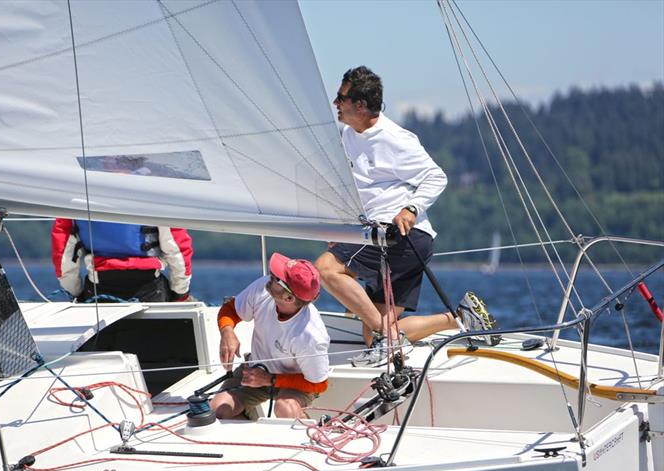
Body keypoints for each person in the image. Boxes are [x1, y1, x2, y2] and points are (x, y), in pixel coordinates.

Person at [315, 66, 499, 365]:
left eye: (341, 97)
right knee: (371, 332)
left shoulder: (395, 138)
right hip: (389, 239)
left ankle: (385, 338)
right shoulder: (349, 134)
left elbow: (436, 177)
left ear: (360, 105)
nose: (336, 103)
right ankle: (460, 318)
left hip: (400, 237)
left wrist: (411, 209)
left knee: (325, 269)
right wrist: (341, 230)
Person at [210, 253, 330, 420]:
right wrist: (227, 332)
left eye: (276, 278)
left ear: (288, 297)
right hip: (256, 370)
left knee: (285, 409)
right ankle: (246, 430)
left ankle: (308, 434)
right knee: (219, 410)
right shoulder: (263, 287)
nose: (271, 277)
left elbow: (319, 384)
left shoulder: (311, 335)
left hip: (295, 381)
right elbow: (230, 309)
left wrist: (270, 379)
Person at [51, 219, 192, 303]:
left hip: (98, 288)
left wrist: (75, 292)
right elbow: (177, 249)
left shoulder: (77, 193)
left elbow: (63, 252)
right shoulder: (154, 191)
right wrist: (180, 293)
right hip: (150, 288)